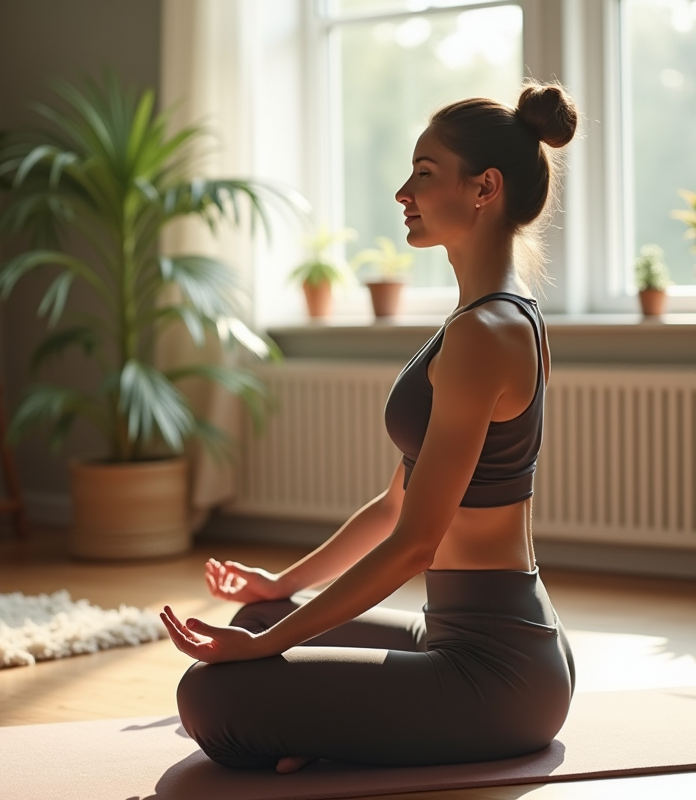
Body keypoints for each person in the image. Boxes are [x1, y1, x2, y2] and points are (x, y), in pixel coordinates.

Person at [160, 79, 580, 773]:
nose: (402, 193)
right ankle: (323, 724)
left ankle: (319, 730)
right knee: (257, 621)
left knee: (211, 698)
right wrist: (277, 590)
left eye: (423, 173)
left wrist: (269, 653)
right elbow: (395, 506)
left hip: (497, 674)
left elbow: (417, 545)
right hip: (458, 633)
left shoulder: (487, 332)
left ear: (485, 189)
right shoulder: (480, 318)